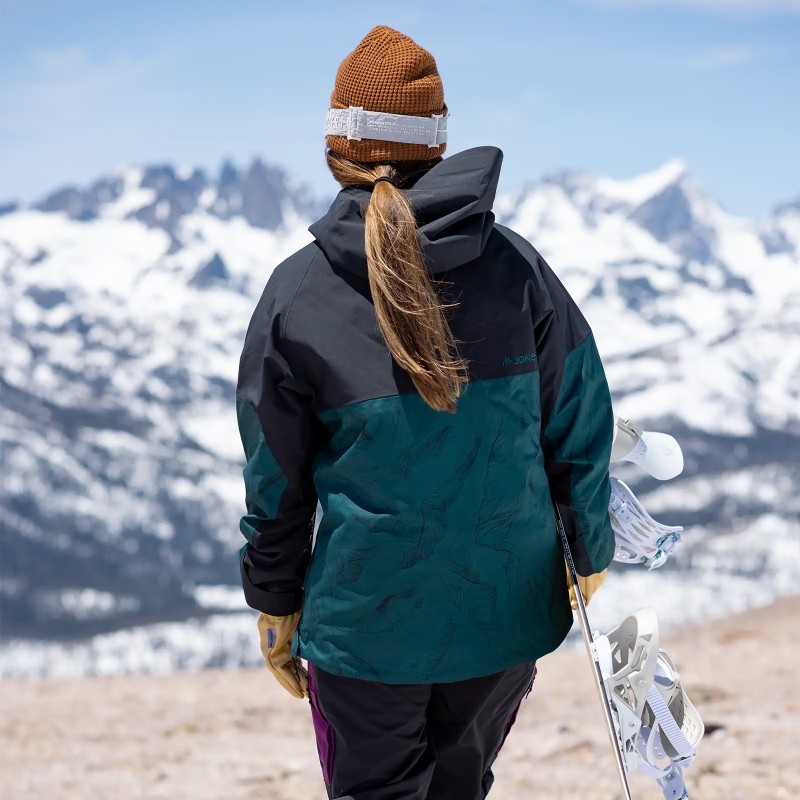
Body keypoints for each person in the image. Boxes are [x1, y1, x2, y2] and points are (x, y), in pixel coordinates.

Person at [235, 24, 615, 800]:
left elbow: (275, 477)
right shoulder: (516, 270)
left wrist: (275, 601)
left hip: (363, 633)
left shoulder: (299, 294)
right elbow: (578, 420)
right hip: (503, 620)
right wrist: (589, 548)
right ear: (437, 145)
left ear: (337, 145)